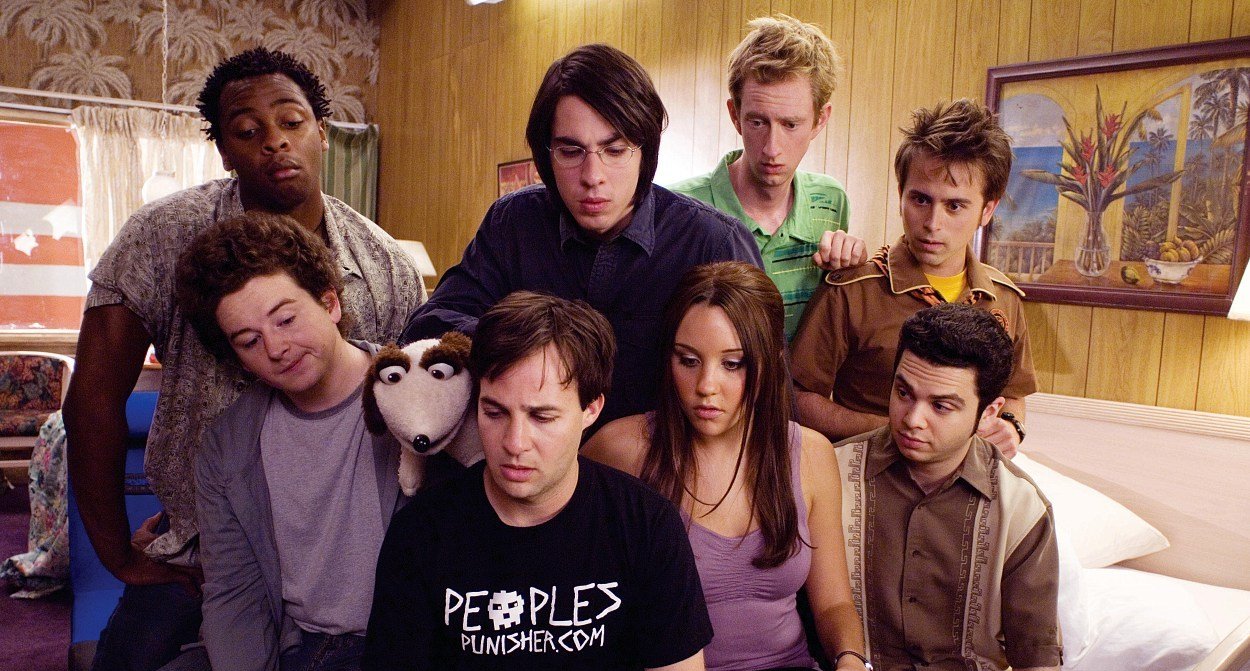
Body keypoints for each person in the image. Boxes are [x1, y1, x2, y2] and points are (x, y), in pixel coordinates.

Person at [53, 47, 423, 671]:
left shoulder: (384, 262)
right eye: (247, 130)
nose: (274, 141)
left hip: (357, 597)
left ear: (322, 132)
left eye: (290, 122)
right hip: (200, 549)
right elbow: (93, 400)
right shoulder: (162, 235)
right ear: (223, 147)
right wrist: (118, 553)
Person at [288, 292, 721, 671]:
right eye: (494, 412)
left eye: (542, 416)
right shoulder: (423, 532)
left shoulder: (645, 524)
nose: (515, 443)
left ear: (591, 408)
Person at [82, 213, 406, 671]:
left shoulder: (410, 403)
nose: (275, 347)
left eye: (286, 318)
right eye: (248, 339)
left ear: (330, 302)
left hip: (382, 655)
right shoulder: (230, 442)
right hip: (285, 643)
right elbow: (235, 595)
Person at [585, 262, 897, 671]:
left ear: (767, 362)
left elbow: (832, 603)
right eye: (688, 360)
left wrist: (852, 660)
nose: (707, 386)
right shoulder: (621, 451)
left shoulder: (809, 453)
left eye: (733, 364)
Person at [834, 303, 1143, 671]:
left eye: (942, 405)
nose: (912, 418)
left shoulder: (1020, 506)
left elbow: (1036, 656)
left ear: (988, 413)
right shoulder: (833, 474)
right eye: (904, 392)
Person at [402, 43, 763, 428]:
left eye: (615, 150)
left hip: (656, 462)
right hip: (522, 452)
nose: (593, 176)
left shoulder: (714, 242)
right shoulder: (513, 223)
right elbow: (428, 328)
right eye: (571, 152)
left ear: (645, 150)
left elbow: (767, 392)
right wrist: (529, 343)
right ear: (547, 154)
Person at [790, 99, 1035, 456]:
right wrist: (896, 431)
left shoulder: (1004, 298)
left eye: (954, 206)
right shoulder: (852, 290)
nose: (933, 223)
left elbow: (1013, 393)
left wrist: (1011, 426)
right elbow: (796, 398)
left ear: (987, 210)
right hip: (866, 471)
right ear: (901, 195)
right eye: (920, 200)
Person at [672, 15, 867, 339]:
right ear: (735, 115)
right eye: (758, 122)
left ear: (820, 119)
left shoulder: (831, 203)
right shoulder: (678, 208)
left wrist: (855, 272)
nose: (772, 149)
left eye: (790, 124)